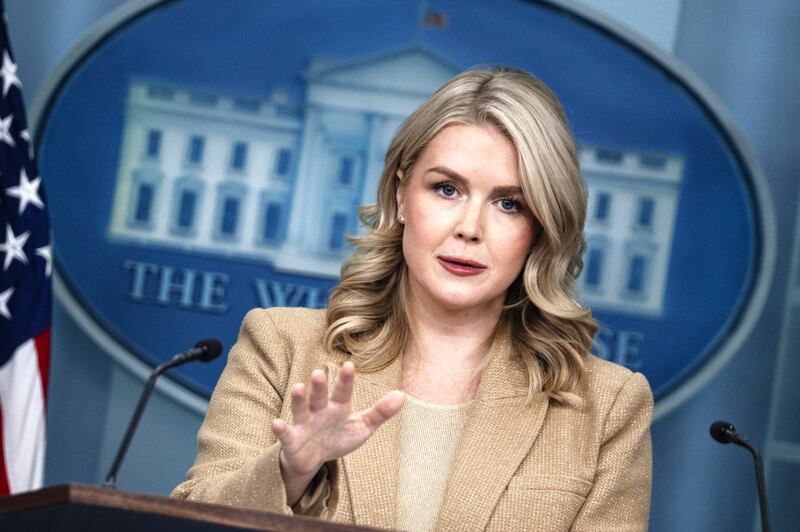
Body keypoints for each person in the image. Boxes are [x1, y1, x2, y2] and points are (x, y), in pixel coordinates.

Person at [172, 67, 653, 531]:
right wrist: (289, 473)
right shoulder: (280, 346)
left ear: (542, 227)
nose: (469, 228)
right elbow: (188, 519)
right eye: (447, 189)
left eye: (509, 204)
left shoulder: (610, 406)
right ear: (402, 196)